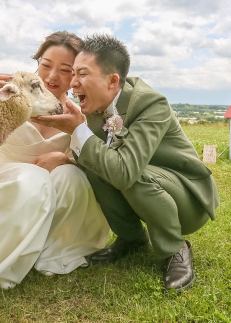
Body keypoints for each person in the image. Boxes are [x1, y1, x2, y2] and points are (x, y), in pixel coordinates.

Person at [37, 33, 219, 291]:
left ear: (112, 80)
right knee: (95, 166)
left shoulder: (150, 103)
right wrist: (65, 158)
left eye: (82, 74)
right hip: (142, 181)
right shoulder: (91, 108)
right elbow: (97, 157)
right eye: (73, 73)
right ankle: (132, 240)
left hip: (186, 198)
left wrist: (78, 130)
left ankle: (174, 249)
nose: (73, 83)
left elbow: (124, 171)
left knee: (131, 173)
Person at [0, 31, 110, 300]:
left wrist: (64, 157)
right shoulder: (10, 98)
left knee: (70, 176)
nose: (52, 77)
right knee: (32, 178)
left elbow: (91, 157)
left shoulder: (78, 114)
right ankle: (3, 260)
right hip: (4, 182)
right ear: (37, 63)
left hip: (45, 188)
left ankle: (51, 252)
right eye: (46, 65)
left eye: (65, 70)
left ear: (77, 75)